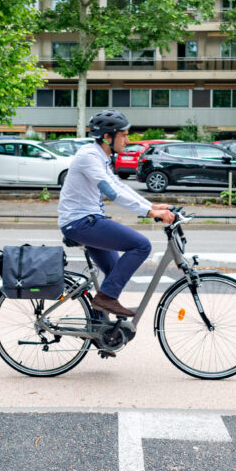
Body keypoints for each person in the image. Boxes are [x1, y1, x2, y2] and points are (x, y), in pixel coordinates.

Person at [57, 110, 175, 318]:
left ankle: (100, 330)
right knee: (141, 245)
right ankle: (104, 299)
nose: (128, 141)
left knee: (114, 272)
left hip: (89, 221)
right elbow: (112, 193)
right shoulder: (89, 156)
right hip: (80, 223)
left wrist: (152, 205)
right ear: (107, 137)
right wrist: (148, 212)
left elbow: (119, 186)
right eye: (124, 135)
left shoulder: (100, 157)